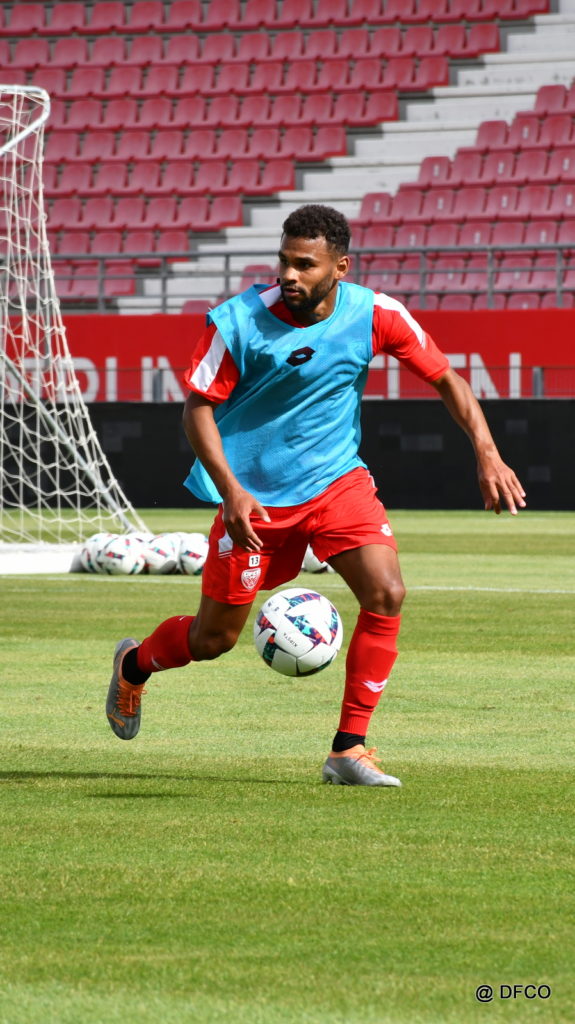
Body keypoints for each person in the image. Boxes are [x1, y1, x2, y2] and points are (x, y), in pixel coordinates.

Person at [106, 204, 526, 787]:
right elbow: (196, 409)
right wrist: (231, 491)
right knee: (214, 640)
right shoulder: (237, 322)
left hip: (336, 483)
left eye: (305, 264)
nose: (289, 275)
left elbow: (447, 379)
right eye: (284, 261)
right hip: (253, 502)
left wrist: (486, 451)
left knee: (387, 592)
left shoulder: (376, 313)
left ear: (340, 268)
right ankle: (136, 663)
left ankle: (348, 749)